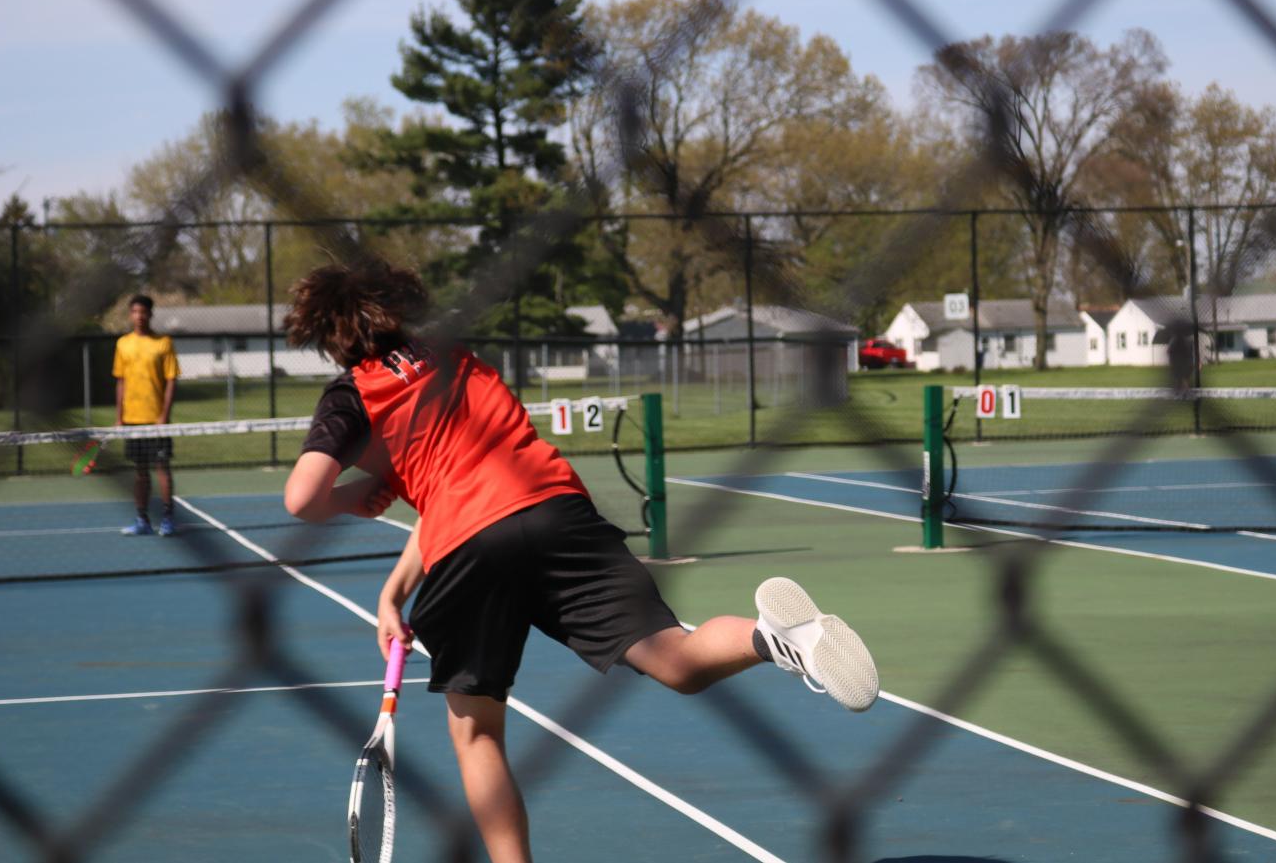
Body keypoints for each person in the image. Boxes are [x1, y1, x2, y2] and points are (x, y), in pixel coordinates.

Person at [280, 259, 879, 863]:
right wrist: (392, 593)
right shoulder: (454, 357)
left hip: (468, 547)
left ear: (329, 337)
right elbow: (459, 492)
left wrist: (356, 497)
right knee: (676, 656)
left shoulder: (352, 394)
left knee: (477, 733)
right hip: (555, 510)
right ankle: (775, 637)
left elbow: (303, 498)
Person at [113, 293, 180, 536]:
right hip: (132, 420)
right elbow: (120, 381)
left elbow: (171, 380)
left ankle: (168, 518)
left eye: (143, 312)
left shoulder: (163, 343)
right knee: (140, 472)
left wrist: (164, 415)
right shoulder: (122, 344)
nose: (139, 316)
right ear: (130, 315)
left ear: (150, 314)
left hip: (156, 421)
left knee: (162, 468)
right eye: (134, 312)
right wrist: (119, 417)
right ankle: (142, 520)